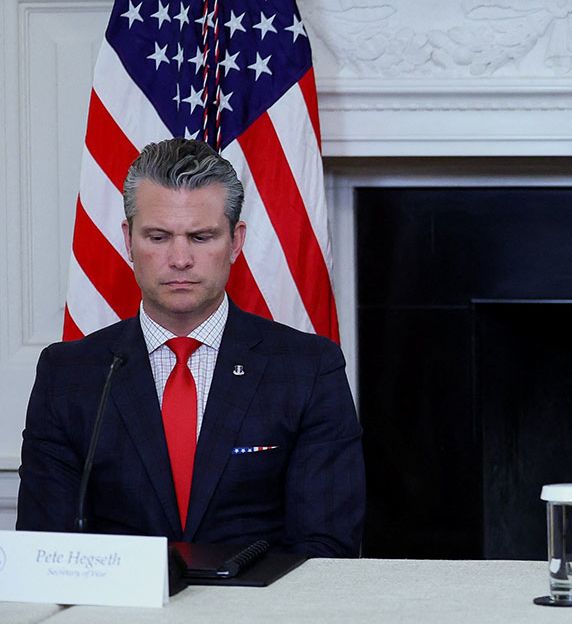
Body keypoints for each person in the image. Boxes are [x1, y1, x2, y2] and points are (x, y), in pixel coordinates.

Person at [17, 139, 364, 557]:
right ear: (128, 241)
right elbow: (46, 549)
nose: (180, 259)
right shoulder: (69, 374)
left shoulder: (308, 369)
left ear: (235, 242)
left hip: (260, 614)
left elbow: (327, 547)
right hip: (118, 617)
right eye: (159, 237)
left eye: (201, 237)